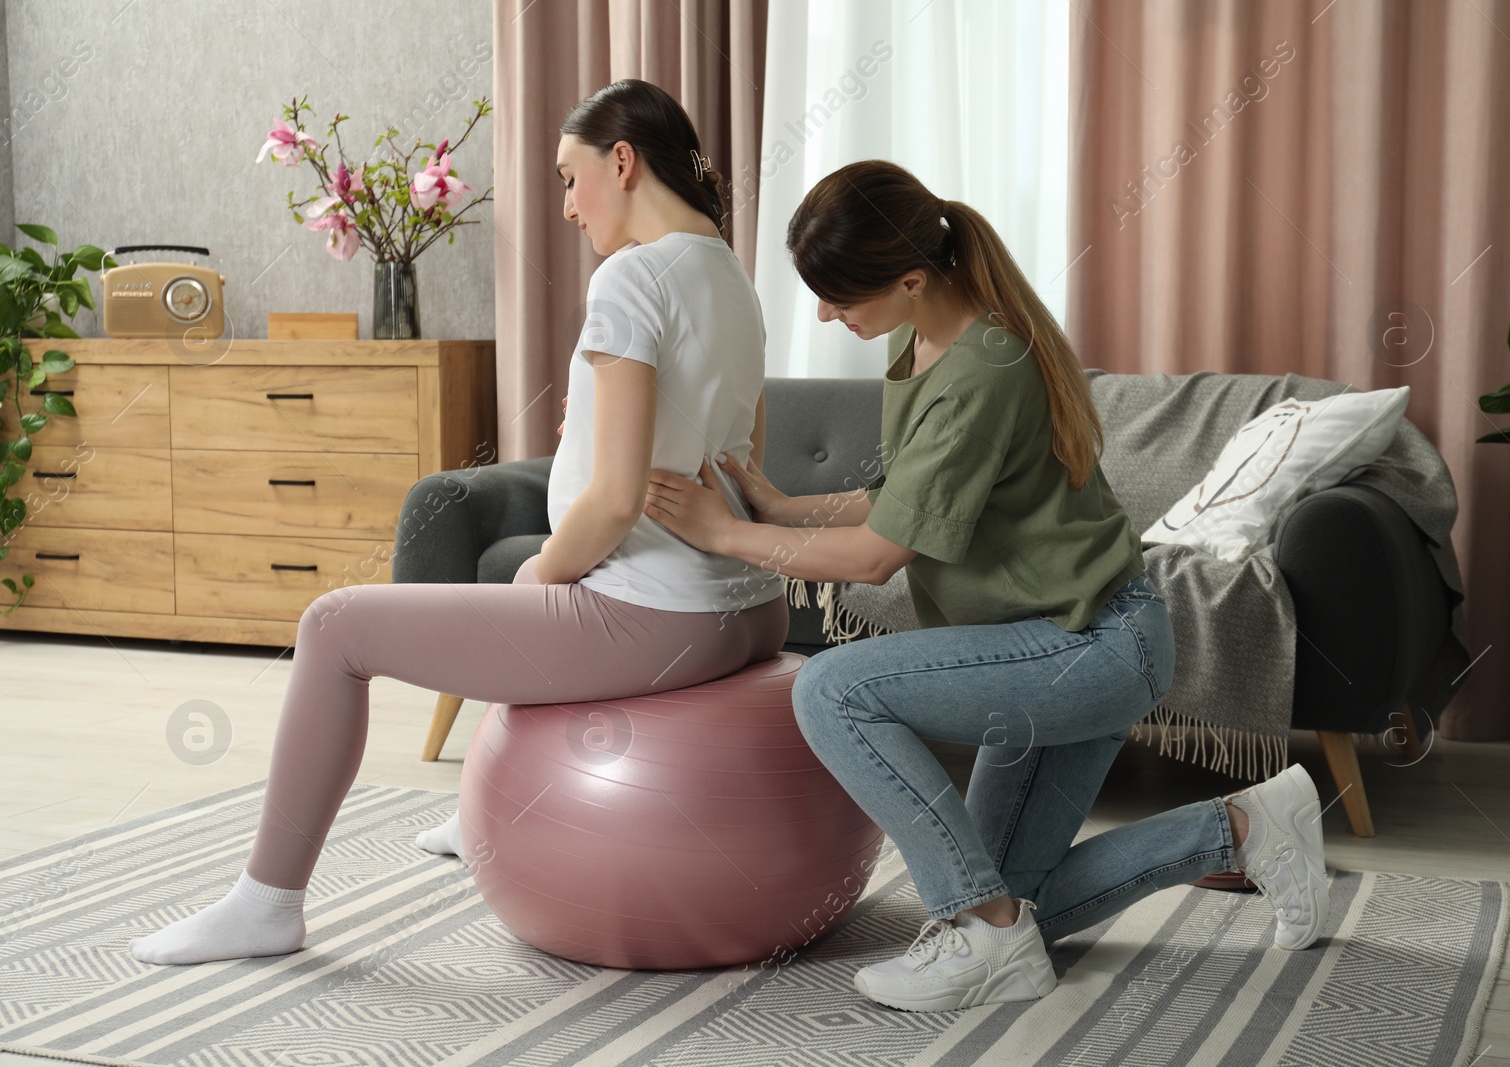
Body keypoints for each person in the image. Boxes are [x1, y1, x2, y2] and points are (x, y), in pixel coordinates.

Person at [644, 159, 1331, 1012]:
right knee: (1019, 906)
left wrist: (726, 534)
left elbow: (877, 557)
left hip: (1090, 645)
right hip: (1046, 639)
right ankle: (1244, 827)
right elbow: (917, 492)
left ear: (907, 277)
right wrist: (787, 506)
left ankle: (981, 931)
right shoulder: (925, 336)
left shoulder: (984, 368)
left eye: (839, 296)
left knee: (831, 689)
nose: (825, 313)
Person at [129, 79, 788, 965]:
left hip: (657, 609)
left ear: (622, 161)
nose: (563, 205)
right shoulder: (730, 275)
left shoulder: (631, 275)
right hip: (746, 610)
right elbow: (732, 450)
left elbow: (617, 499)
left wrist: (544, 570)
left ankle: (266, 902)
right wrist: (591, 436)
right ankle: (486, 805)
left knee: (334, 627)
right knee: (531, 589)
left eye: (568, 176)